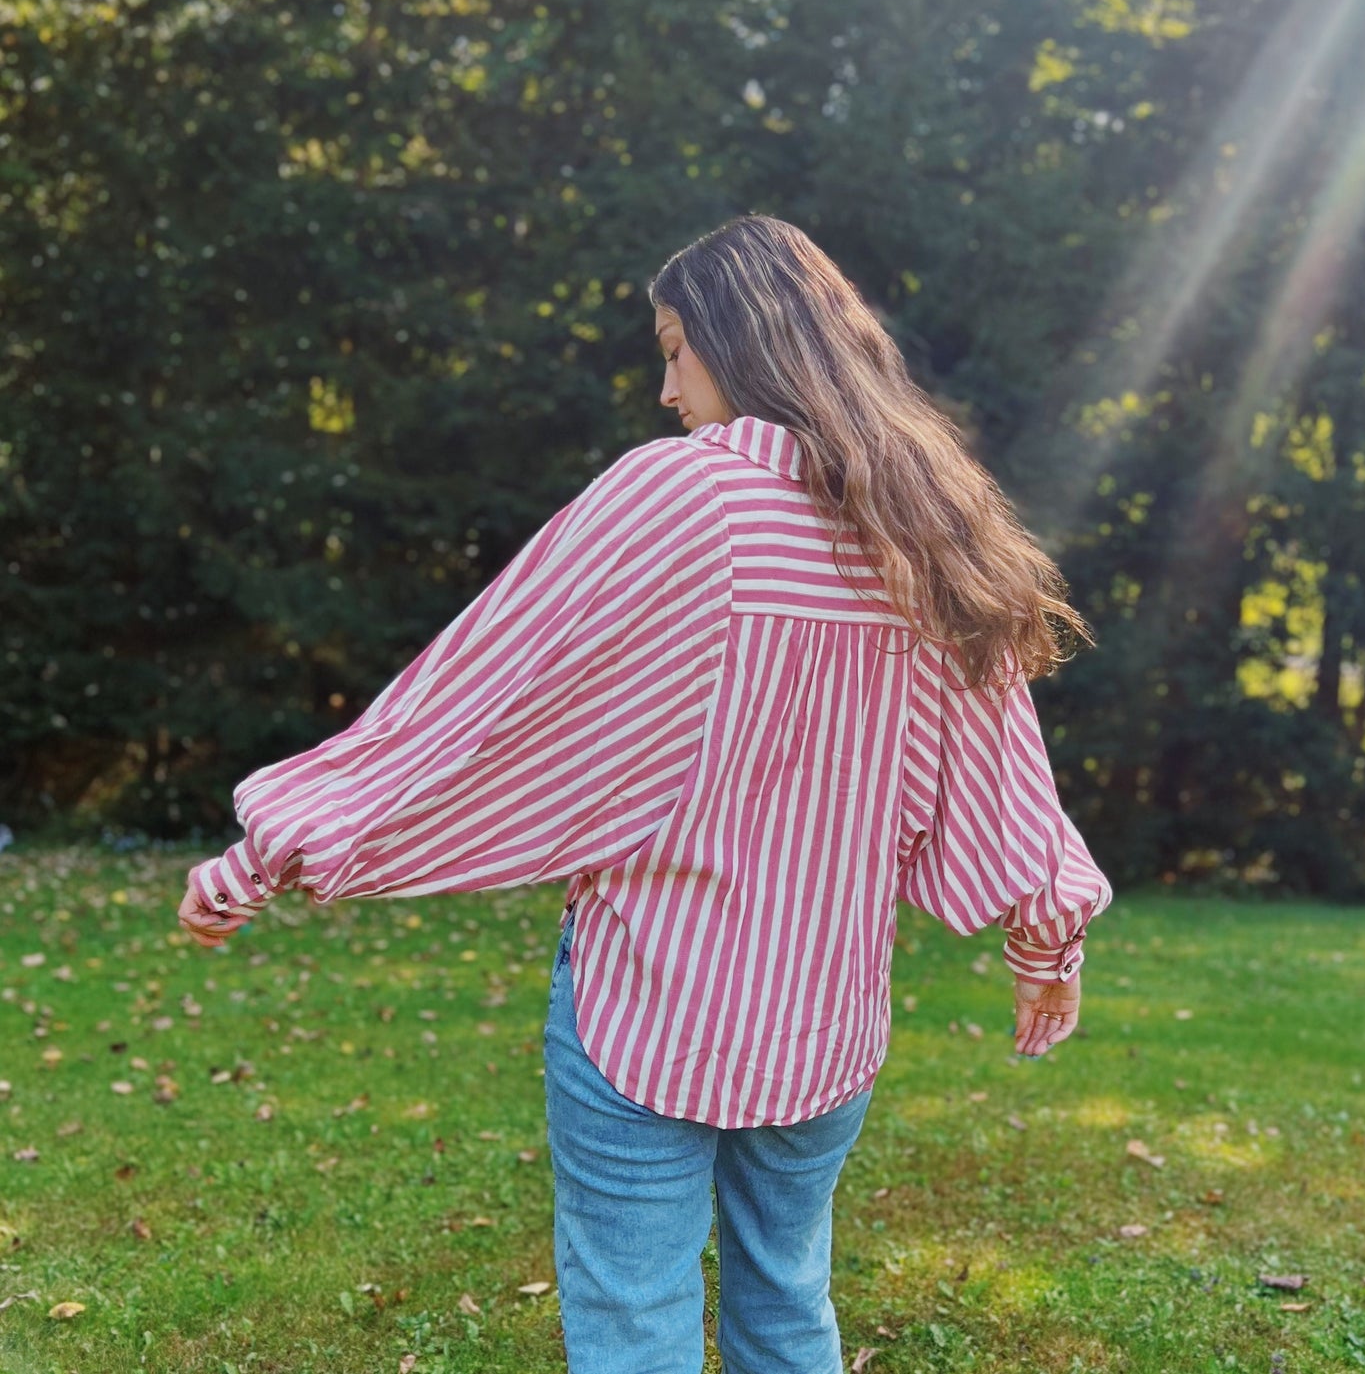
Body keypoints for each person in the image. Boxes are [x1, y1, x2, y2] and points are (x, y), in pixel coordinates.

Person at [178, 213, 1112, 1374]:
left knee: (633, 1322)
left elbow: (477, 695)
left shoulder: (680, 498)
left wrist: (271, 847)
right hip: (822, 1017)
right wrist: (1044, 943)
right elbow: (1001, 774)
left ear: (744, 340)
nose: (666, 388)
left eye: (674, 347)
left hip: (645, 998)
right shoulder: (918, 533)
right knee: (787, 1304)